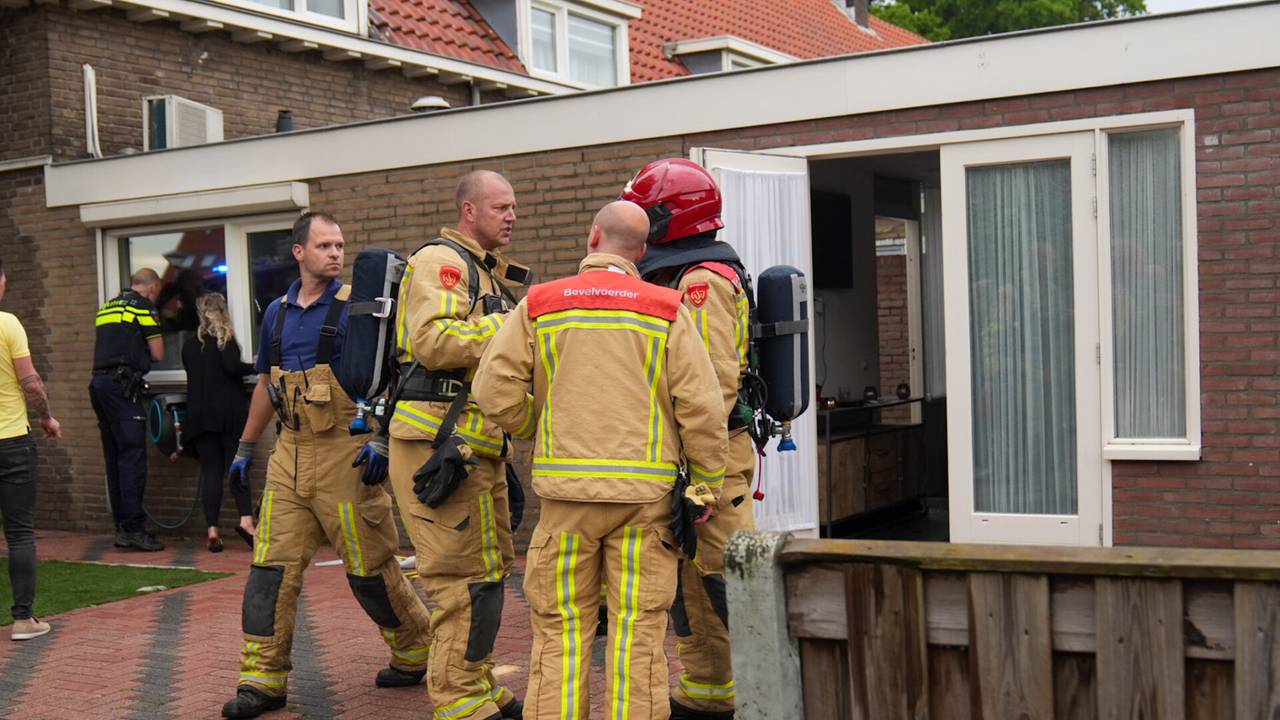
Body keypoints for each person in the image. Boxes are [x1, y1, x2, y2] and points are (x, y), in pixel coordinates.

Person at [474, 200, 728, 720]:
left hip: (567, 503)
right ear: (642, 252)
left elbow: (492, 389)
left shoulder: (541, 303)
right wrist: (703, 488)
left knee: (560, 630)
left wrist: (539, 425)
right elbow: (702, 410)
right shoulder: (666, 307)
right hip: (646, 504)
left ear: (593, 238)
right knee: (639, 632)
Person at [220, 212, 433, 719]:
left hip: (347, 452)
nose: (335, 253)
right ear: (299, 252)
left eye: (339, 245)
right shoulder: (274, 312)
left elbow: (392, 378)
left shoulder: (361, 310)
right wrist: (245, 449)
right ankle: (262, 680)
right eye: (324, 245)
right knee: (270, 572)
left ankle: (414, 647)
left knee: (369, 571)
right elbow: (267, 388)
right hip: (289, 456)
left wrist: (382, 439)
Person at [387, 170, 531, 720]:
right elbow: (432, 340)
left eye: (514, 206)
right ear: (469, 211)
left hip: (475, 445)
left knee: (490, 569)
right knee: (457, 577)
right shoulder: (442, 264)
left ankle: (477, 679)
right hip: (436, 443)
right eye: (501, 207)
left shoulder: (488, 275)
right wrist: (513, 328)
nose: (512, 216)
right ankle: (457, 698)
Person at [624, 158, 758, 720]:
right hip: (692, 460)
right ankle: (708, 690)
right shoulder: (674, 273)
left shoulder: (700, 281)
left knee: (724, 581)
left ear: (669, 217)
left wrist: (697, 470)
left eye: (644, 211)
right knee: (692, 580)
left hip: (713, 461)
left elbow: (711, 387)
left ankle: (759, 689)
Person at [0, 259, 62, 641]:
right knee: (19, 532)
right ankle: (23, 620)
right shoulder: (8, 323)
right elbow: (32, 383)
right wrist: (47, 418)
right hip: (11, 441)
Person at [91, 267, 165, 552]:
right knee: (132, 458)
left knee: (115, 458)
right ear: (153, 287)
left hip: (99, 386)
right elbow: (158, 353)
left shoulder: (106, 307)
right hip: (123, 388)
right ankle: (135, 529)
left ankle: (121, 528)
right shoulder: (144, 307)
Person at [181, 293, 257, 553]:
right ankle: (247, 521)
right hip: (227, 416)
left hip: (199, 417)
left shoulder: (190, 345)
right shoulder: (226, 342)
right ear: (222, 311)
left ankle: (212, 529)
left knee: (211, 472)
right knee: (237, 467)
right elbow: (233, 368)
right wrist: (258, 366)